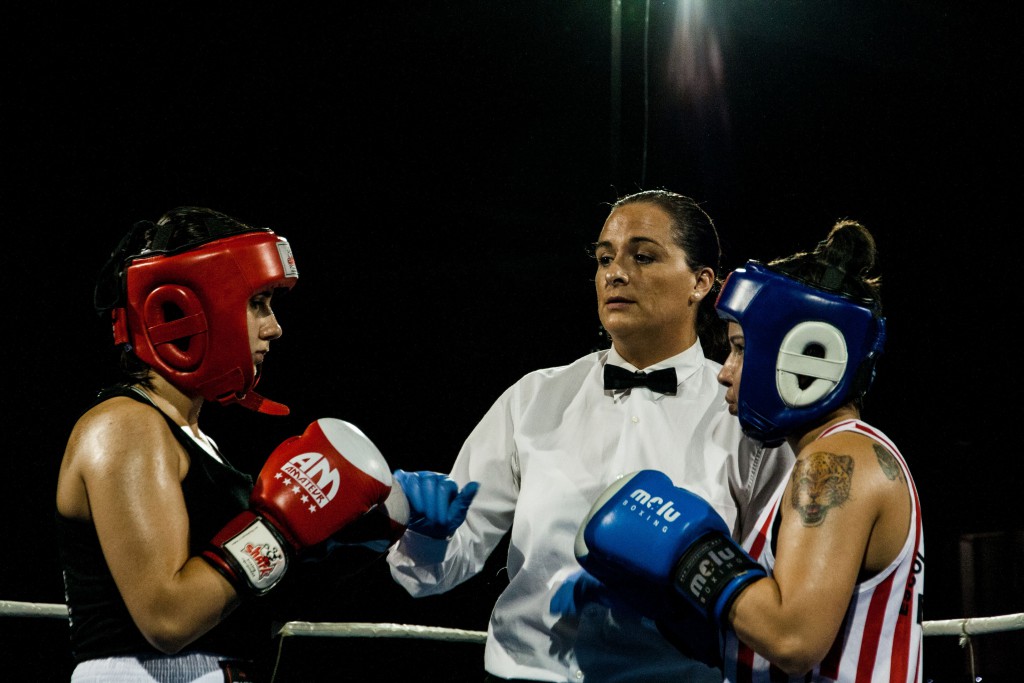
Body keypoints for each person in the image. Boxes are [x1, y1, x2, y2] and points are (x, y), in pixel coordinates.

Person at [387, 189, 795, 682]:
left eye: (643, 256)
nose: (615, 273)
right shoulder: (533, 398)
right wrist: (429, 536)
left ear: (701, 282)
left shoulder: (745, 412)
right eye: (605, 258)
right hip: (526, 674)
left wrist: (674, 594)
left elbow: (782, 596)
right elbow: (441, 567)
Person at [56, 207, 407, 682]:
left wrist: (363, 532)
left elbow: (240, 593)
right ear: (193, 307)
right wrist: (282, 527)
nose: (273, 327)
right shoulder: (125, 427)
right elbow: (168, 617)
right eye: (257, 303)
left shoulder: (196, 441)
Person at [569, 219, 924, 681]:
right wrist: (670, 608)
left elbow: (793, 640)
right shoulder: (822, 460)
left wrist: (690, 553)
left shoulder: (839, 463)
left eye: (739, 349)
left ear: (805, 355)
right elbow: (765, 643)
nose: (725, 371)